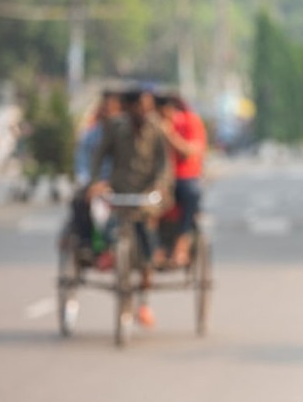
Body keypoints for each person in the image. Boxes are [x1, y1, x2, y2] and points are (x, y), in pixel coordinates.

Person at [88, 87, 172, 327]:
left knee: (146, 238)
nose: (146, 111)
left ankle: (144, 299)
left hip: (147, 194)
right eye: (141, 107)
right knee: (104, 219)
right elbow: (98, 156)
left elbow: (164, 165)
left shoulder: (156, 128)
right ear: (131, 107)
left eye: (148, 107)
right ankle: (106, 252)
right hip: (120, 191)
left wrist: (161, 186)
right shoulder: (115, 127)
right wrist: (95, 183)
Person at [71, 90, 122, 263]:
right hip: (95, 182)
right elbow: (83, 161)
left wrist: (110, 183)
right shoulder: (92, 134)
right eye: (106, 109)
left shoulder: (127, 134)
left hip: (121, 184)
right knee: (79, 200)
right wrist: (91, 182)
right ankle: (88, 244)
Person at [157, 94, 207, 267]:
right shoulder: (151, 124)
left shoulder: (189, 122)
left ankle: (182, 244)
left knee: (191, 193)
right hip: (158, 179)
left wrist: (169, 134)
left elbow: (188, 151)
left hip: (184, 177)